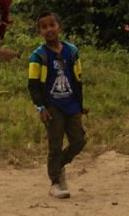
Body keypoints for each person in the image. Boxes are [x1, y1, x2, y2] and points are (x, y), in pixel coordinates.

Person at [27, 11, 87, 199]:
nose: (49, 29)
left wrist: (80, 104)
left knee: (79, 141)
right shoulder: (38, 56)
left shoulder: (71, 51)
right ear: (40, 32)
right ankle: (55, 183)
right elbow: (33, 85)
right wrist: (41, 107)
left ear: (59, 27)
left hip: (71, 103)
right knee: (55, 144)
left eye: (52, 25)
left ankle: (59, 165)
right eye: (44, 27)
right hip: (52, 105)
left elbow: (77, 80)